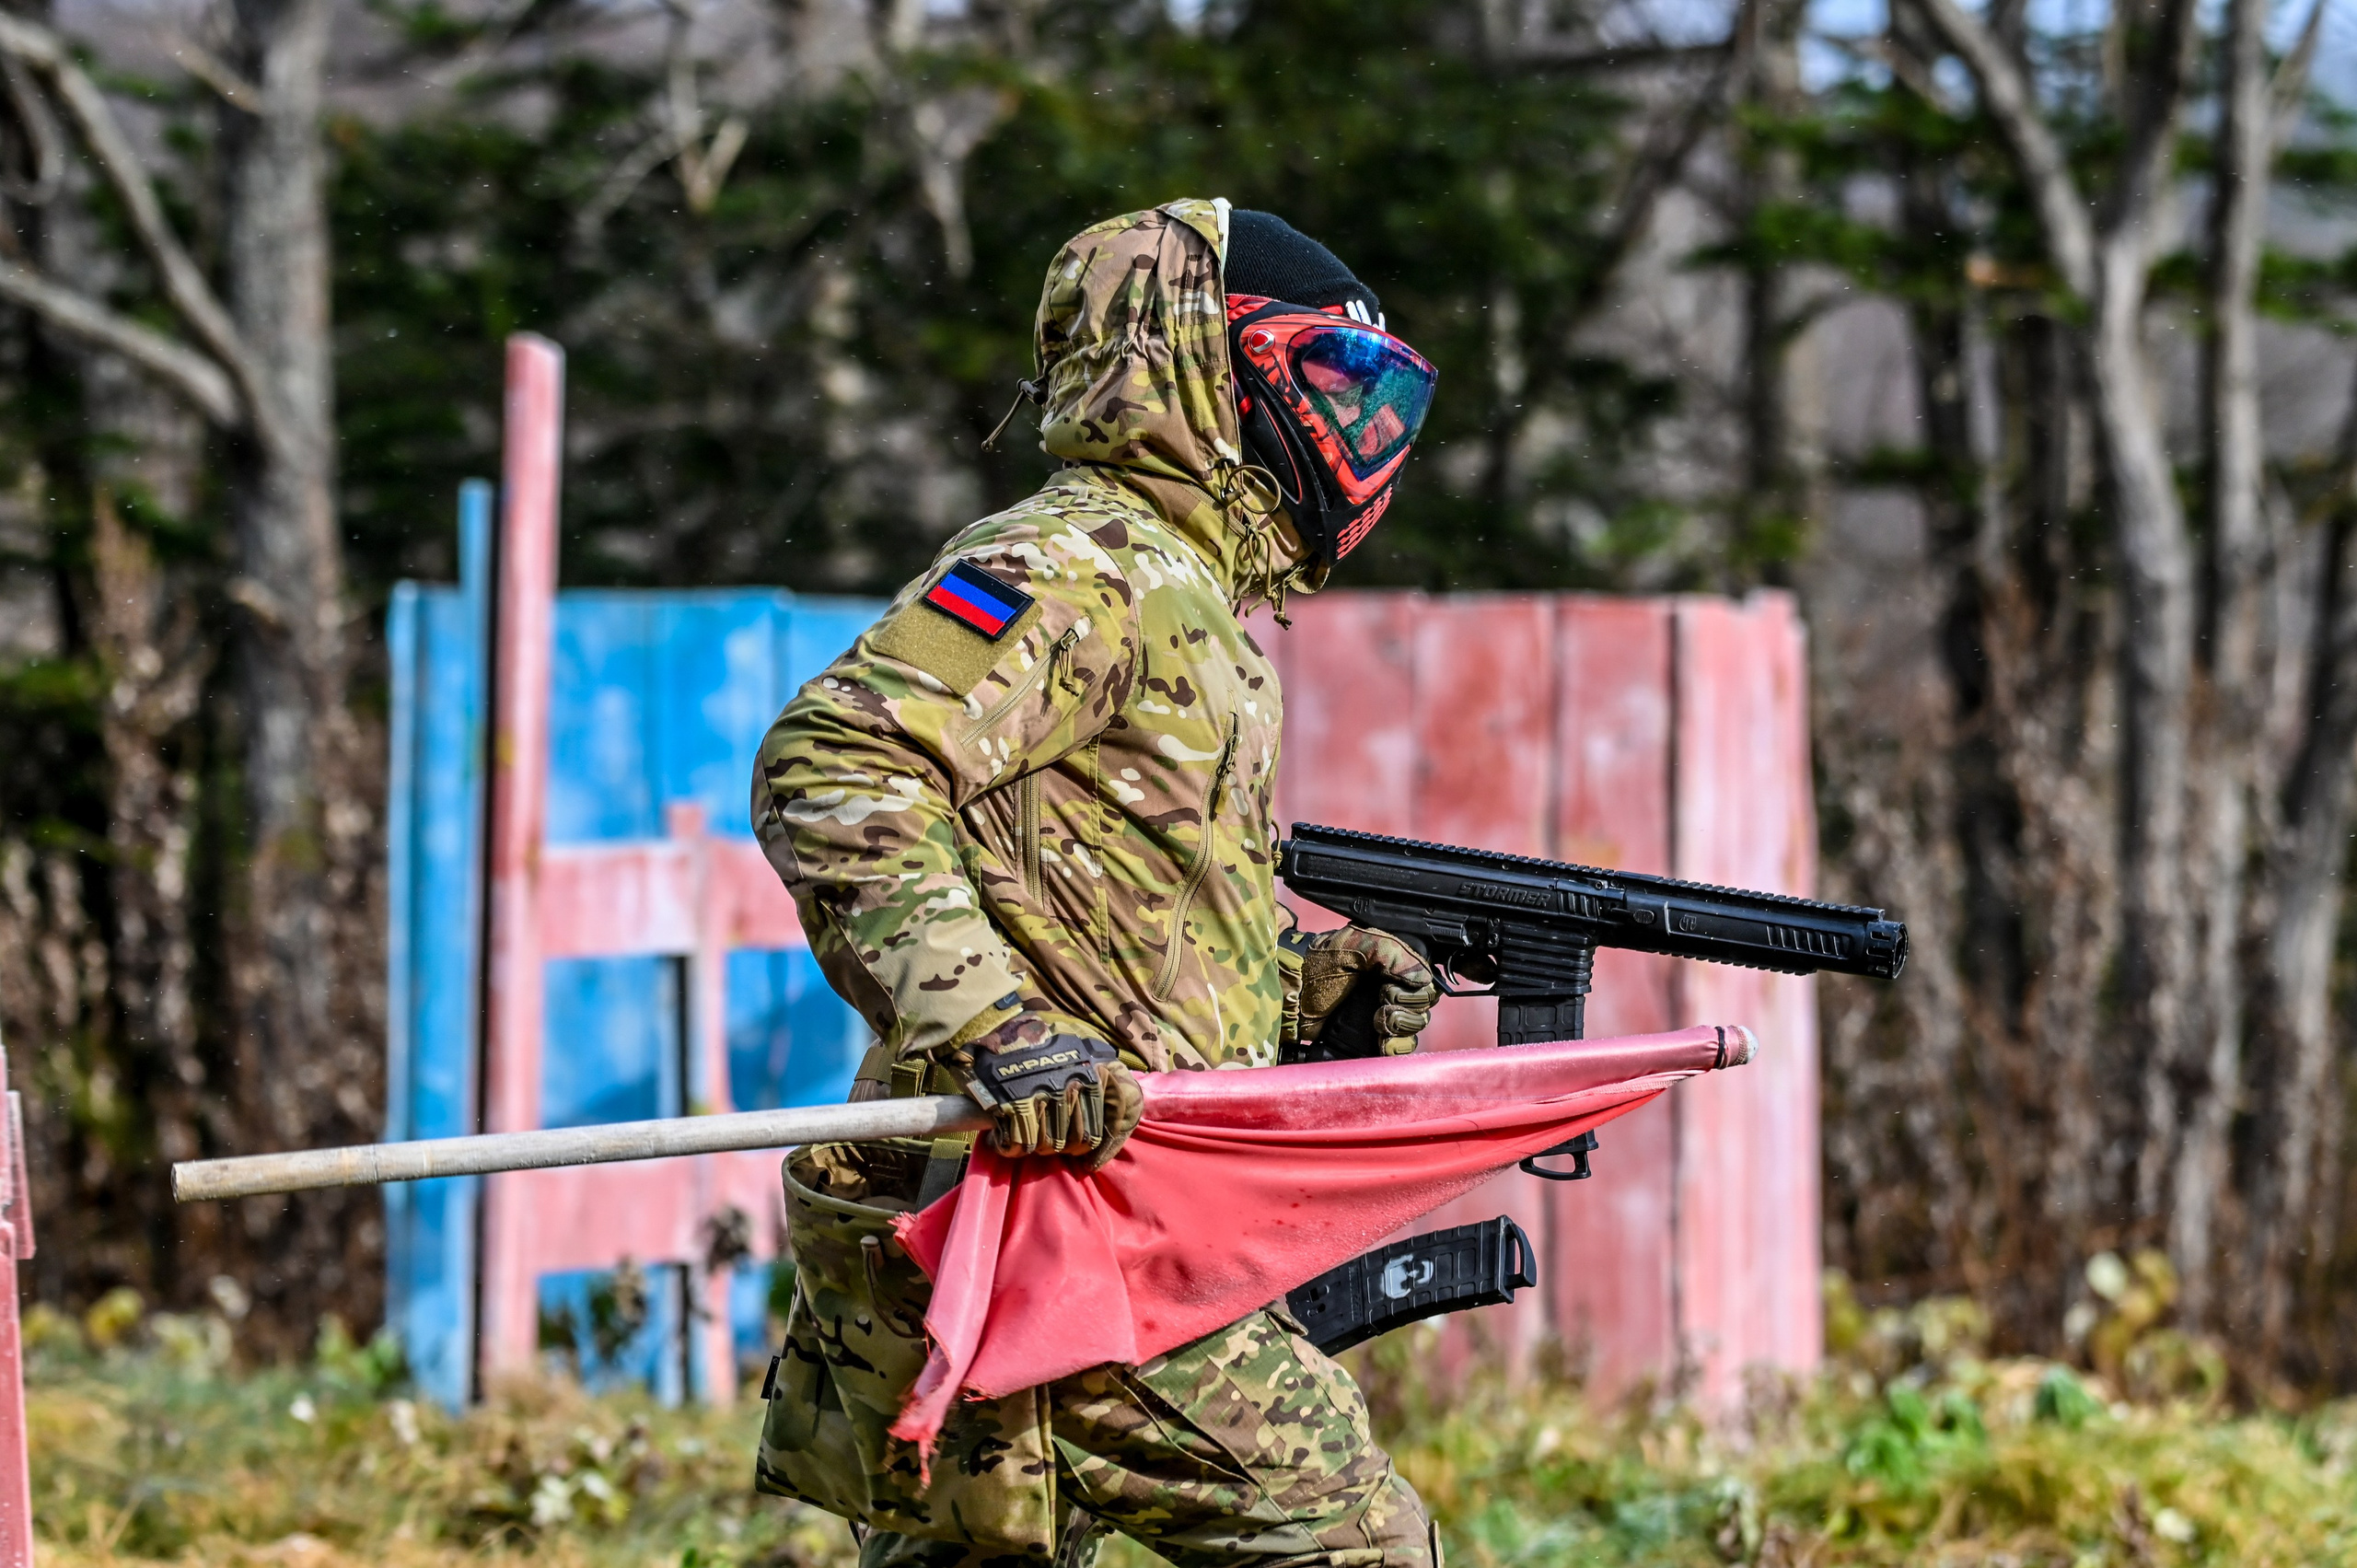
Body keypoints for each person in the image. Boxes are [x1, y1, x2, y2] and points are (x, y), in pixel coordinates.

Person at [750, 199, 1445, 1568]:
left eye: (1382, 405)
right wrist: (997, 1031)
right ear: (1194, 357)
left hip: (1041, 1202)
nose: (1364, 442)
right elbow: (834, 764)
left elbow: (1088, 903)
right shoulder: (1078, 565)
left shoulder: (1178, 594)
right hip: (1056, 1213)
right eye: (1333, 389)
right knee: (1357, 1546)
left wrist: (1296, 1003)